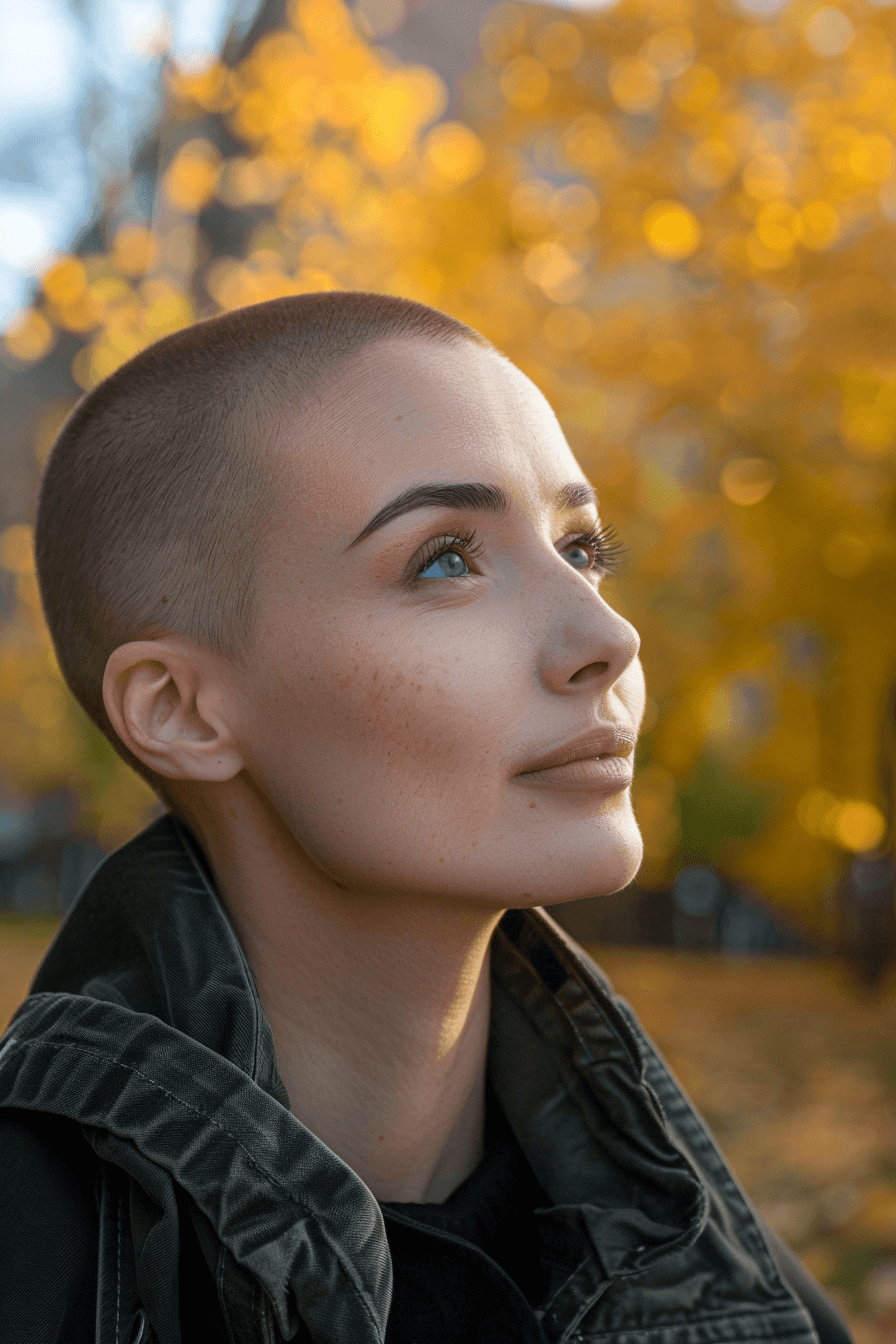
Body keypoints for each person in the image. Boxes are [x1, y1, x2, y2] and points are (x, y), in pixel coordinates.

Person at [0, 293, 850, 1344]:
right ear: (180, 709)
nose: (606, 634)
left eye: (581, 549)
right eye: (445, 559)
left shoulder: (728, 1282)